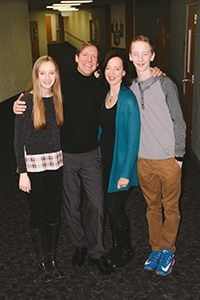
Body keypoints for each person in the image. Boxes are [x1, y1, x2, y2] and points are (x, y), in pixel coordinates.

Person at [13, 41, 162, 276]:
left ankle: (96, 252)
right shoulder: (62, 82)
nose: (89, 60)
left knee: (97, 205)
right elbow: (41, 87)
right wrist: (19, 103)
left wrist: (153, 70)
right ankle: (80, 245)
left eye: (94, 57)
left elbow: (122, 80)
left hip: (92, 155)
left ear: (97, 63)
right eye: (86, 56)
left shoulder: (101, 82)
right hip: (66, 157)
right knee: (71, 206)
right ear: (76, 57)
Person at [129, 35, 186, 276]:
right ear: (130, 57)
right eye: (136, 54)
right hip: (144, 160)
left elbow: (179, 121)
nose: (141, 58)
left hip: (168, 159)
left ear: (152, 56)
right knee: (152, 207)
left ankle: (168, 250)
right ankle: (155, 248)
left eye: (145, 53)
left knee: (170, 207)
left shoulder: (165, 83)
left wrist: (179, 156)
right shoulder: (129, 87)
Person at [14, 56, 64, 282]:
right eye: (42, 73)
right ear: (36, 75)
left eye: (51, 73)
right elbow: (18, 140)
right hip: (33, 166)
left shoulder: (57, 99)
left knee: (53, 212)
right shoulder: (26, 100)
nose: (47, 78)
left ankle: (51, 257)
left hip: (55, 163)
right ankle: (42, 258)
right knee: (37, 213)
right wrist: (22, 172)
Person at [99, 50, 140, 267]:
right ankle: (117, 247)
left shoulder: (128, 99)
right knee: (110, 209)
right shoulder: (105, 95)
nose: (112, 73)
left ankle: (126, 249)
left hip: (121, 166)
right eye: (108, 68)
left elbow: (133, 141)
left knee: (115, 209)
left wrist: (125, 174)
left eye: (117, 68)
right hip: (105, 163)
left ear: (124, 72)